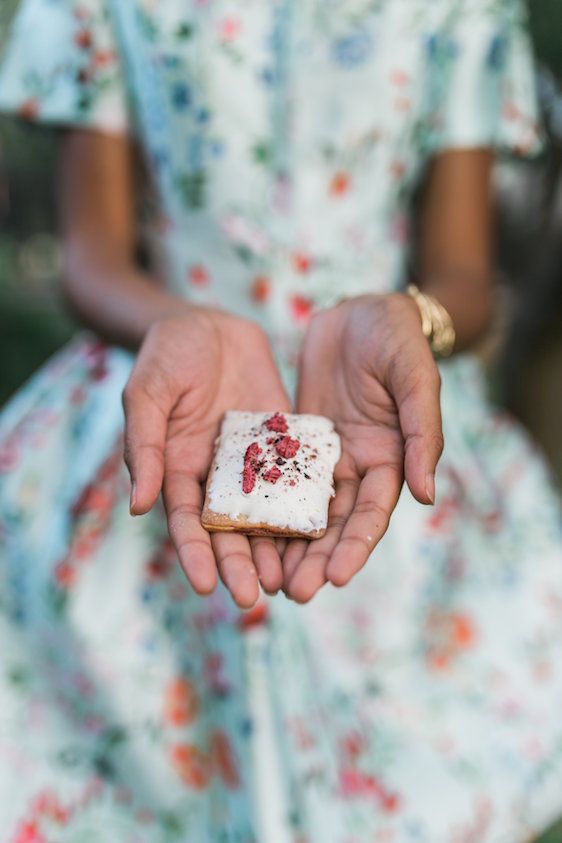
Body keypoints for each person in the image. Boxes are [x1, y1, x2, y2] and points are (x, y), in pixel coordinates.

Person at [0, 0, 561, 840]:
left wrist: (413, 319)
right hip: (170, 387)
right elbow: (92, 259)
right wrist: (171, 325)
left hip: (372, 390)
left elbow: (465, 276)